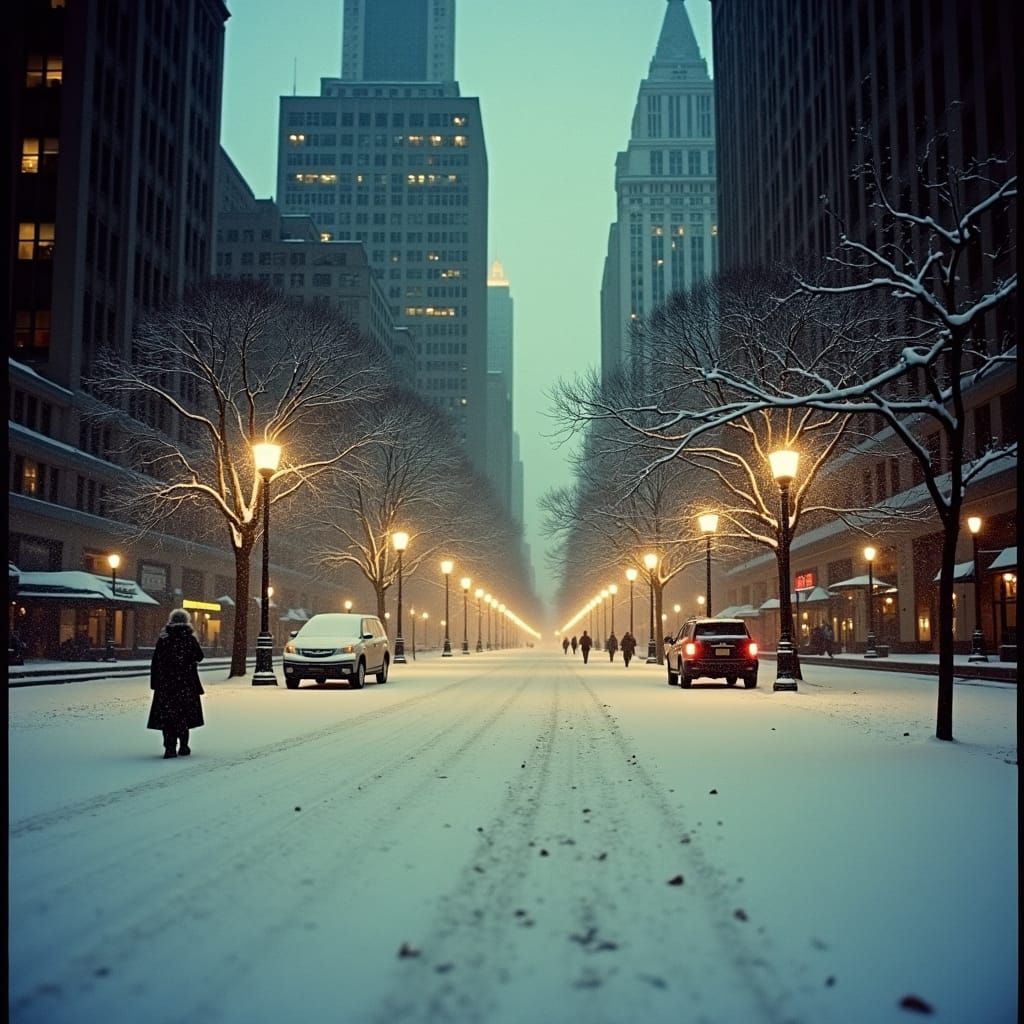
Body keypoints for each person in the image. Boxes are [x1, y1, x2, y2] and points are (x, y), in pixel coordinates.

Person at [147, 608, 206, 758]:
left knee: (168, 718)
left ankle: (170, 747)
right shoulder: (189, 638)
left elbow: (156, 662)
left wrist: (155, 683)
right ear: (186, 622)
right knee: (183, 717)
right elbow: (199, 656)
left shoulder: (164, 639)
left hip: (167, 686)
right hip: (186, 685)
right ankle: (184, 746)